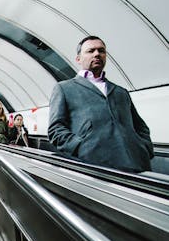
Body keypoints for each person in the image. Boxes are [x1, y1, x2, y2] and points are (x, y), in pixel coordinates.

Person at [48, 36, 153, 172]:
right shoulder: (64, 88)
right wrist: (82, 147)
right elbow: (56, 129)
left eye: (101, 51)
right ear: (78, 59)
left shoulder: (121, 91)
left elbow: (140, 126)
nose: (97, 54)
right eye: (91, 51)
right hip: (94, 168)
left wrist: (144, 148)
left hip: (136, 166)